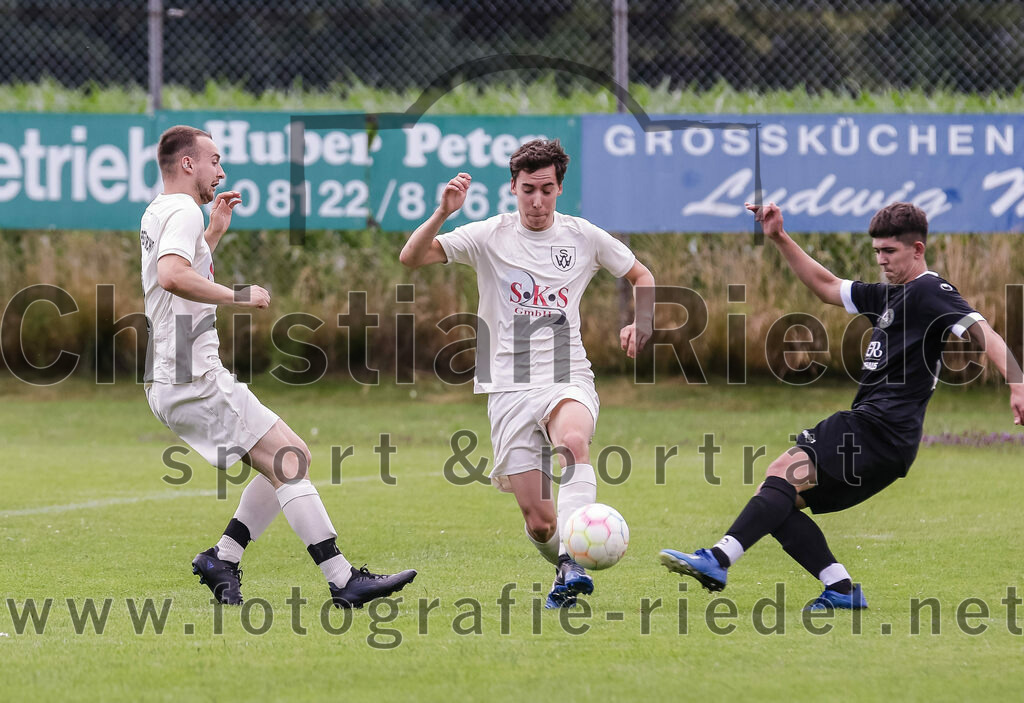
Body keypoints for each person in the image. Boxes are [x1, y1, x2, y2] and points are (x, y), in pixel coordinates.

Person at [660, 201, 1024, 610]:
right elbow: (827, 285)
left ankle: (718, 558)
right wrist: (779, 237)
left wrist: (1017, 382)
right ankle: (841, 588)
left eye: (890, 252)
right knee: (776, 497)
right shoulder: (889, 295)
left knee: (781, 472)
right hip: (889, 444)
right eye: (877, 252)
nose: (882, 260)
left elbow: (982, 331)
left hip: (878, 427)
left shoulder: (929, 291)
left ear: (917, 249)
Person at [141, 125, 416, 608]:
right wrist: (237, 295)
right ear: (188, 164)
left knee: (295, 455)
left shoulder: (162, 210)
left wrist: (213, 237)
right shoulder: (183, 208)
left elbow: (178, 270)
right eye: (214, 160)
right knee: (288, 463)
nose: (220, 171)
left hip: (178, 373)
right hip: (190, 376)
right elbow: (171, 276)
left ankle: (222, 559)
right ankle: (342, 578)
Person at [400, 139, 655, 608]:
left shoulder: (583, 236)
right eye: (527, 190)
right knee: (539, 521)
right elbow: (411, 257)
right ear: (512, 188)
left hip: (566, 372)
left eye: (547, 190)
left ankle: (577, 558)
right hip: (508, 386)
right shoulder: (489, 235)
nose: (537, 201)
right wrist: (442, 213)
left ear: (559, 189)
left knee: (573, 443)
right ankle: (564, 565)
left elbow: (642, 276)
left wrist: (643, 321)